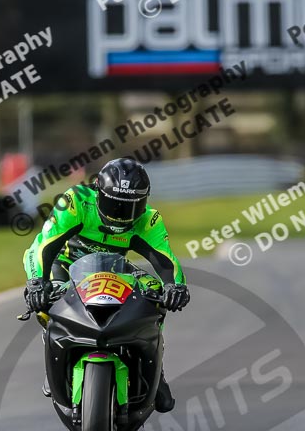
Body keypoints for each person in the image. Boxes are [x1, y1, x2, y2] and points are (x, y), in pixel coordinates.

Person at [23, 157, 190, 411]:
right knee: (44, 299)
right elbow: (45, 245)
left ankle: (156, 367)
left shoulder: (149, 220)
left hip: (112, 268)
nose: (121, 216)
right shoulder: (75, 201)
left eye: (130, 207)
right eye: (114, 205)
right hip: (65, 263)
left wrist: (175, 287)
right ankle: (53, 351)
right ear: (98, 192)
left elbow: (167, 261)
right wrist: (37, 282)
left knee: (155, 295)